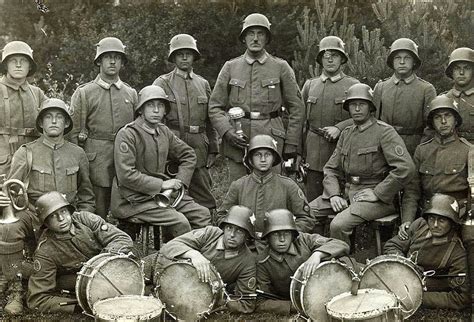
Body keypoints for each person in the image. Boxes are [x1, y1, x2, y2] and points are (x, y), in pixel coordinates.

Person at [312, 83, 415, 245]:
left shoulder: (384, 132)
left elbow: (405, 168)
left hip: (377, 199)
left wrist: (378, 192)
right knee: (306, 213)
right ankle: (317, 255)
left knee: (338, 225)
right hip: (346, 192)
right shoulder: (346, 133)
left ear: (370, 107)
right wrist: (333, 194)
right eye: (353, 105)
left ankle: (344, 265)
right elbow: (330, 169)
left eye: (362, 104)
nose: (357, 109)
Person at [209, 13, 304, 181]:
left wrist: (291, 144)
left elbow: (297, 108)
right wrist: (227, 132)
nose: (255, 38)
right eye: (250, 33)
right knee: (238, 192)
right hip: (238, 141)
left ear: (267, 38)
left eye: (260, 33)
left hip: (271, 140)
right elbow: (215, 106)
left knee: (272, 193)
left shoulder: (281, 67)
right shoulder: (230, 67)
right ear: (244, 38)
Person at [111, 85, 211, 242]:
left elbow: (189, 155)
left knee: (203, 215)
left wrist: (180, 181)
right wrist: (162, 185)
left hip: (163, 196)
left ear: (165, 110)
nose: (156, 110)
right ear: (140, 110)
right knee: (180, 222)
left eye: (161, 105)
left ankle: (199, 255)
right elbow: (126, 175)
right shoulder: (128, 134)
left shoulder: (163, 131)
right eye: (150, 105)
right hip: (132, 200)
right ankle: (174, 259)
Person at [27, 191, 133, 313]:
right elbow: (37, 299)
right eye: (53, 216)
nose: (61, 219)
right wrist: (80, 305)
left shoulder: (85, 219)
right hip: (82, 281)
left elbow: (122, 238)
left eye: (63, 211)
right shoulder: (45, 251)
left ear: (69, 211)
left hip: (111, 266)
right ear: (45, 222)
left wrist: (101, 263)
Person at [69, 37, 138, 219]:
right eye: (108, 57)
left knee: (126, 205)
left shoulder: (130, 93)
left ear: (122, 62)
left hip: (124, 157)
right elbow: (74, 133)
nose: (113, 61)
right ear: (99, 61)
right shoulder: (85, 93)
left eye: (117, 57)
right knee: (97, 208)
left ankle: (124, 243)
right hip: (96, 159)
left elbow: (138, 130)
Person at [144, 205, 257, 313]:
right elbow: (169, 246)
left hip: (188, 293)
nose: (232, 234)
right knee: (130, 278)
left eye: (239, 231)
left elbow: (247, 303)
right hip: (161, 264)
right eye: (229, 228)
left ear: (247, 235)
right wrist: (194, 255)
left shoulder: (247, 261)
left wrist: (216, 299)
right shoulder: (210, 234)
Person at [152, 34, 218, 211]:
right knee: (172, 195)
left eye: (188, 53)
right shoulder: (163, 83)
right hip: (172, 145)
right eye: (180, 53)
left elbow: (210, 119)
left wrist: (213, 147)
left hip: (199, 146)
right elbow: (154, 118)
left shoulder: (203, 84)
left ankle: (205, 232)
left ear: (194, 56)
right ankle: (173, 236)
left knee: (204, 195)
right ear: (173, 57)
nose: (184, 57)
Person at [216, 134, 314, 238]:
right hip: (246, 243)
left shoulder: (288, 185)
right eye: (258, 155)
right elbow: (222, 215)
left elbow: (306, 218)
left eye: (267, 155)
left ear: (274, 158)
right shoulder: (239, 185)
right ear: (250, 159)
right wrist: (239, 232)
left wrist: (286, 234)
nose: (263, 159)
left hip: (279, 245)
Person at [400, 95, 469, 238]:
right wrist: (407, 221)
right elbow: (412, 191)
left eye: (448, 116)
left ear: (456, 120)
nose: (443, 121)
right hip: (428, 216)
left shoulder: (468, 151)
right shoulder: (422, 150)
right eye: (437, 117)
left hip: (458, 216)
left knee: (470, 240)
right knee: (403, 242)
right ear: (432, 122)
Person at [384, 193, 469, 309]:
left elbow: (460, 298)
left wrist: (417, 297)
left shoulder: (457, 253)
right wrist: (403, 265)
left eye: (442, 220)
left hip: (423, 286)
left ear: (452, 222)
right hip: (397, 274)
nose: (435, 225)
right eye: (432, 218)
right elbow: (392, 245)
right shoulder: (420, 225)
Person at [8, 98, 95, 212]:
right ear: (41, 123)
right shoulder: (26, 152)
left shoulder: (77, 153)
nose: (54, 121)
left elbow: (86, 196)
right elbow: (11, 192)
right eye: (48, 117)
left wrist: (82, 218)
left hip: (68, 217)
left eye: (59, 117)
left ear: (66, 123)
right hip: (35, 217)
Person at [256, 209, 349, 313]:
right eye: (275, 234)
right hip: (299, 298)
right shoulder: (263, 262)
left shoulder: (304, 240)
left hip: (330, 285)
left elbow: (341, 244)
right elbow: (261, 302)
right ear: (267, 237)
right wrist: (293, 306)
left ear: (292, 234)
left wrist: (317, 254)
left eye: (286, 233)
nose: (282, 239)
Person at [301, 36, 359, 201]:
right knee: (313, 201)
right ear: (320, 59)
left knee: (340, 201)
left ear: (342, 59)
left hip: (341, 153)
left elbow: (364, 117)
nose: (330, 59)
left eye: (335, 55)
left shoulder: (352, 85)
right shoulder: (310, 85)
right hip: (313, 155)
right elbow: (301, 121)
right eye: (326, 55)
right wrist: (299, 153)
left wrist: (339, 128)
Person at [373, 38, 436, 155]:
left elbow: (431, 126)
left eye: (407, 58)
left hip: (413, 147)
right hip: (384, 145)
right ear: (392, 61)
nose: (402, 62)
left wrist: (420, 150)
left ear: (414, 62)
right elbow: (373, 121)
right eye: (397, 58)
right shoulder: (381, 87)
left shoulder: (426, 89)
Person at [0, 41, 46, 176]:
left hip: (33, 160)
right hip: (3, 162)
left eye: (23, 61)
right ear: (5, 65)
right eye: (13, 61)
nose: (18, 65)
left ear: (30, 66)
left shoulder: (37, 93)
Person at [0, 188, 37, 314]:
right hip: (33, 216)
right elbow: (8, 187)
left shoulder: (82, 166)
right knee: (9, 227)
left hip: (66, 214)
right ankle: (15, 290)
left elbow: (86, 195)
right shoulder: (25, 166)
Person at [445, 47, 474, 142]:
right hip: (451, 150)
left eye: (467, 68)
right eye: (457, 68)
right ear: (451, 72)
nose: (461, 73)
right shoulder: (445, 98)